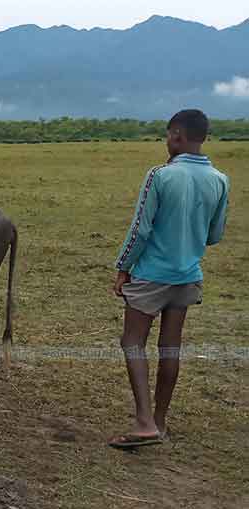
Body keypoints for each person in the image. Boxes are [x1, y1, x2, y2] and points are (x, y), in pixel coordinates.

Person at [109, 109, 229, 450]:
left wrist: (122, 268)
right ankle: (160, 422)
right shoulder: (220, 179)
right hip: (187, 277)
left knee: (132, 343)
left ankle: (144, 422)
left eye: (168, 135)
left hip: (150, 276)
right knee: (170, 348)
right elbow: (215, 235)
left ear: (177, 135)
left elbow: (140, 231)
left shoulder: (159, 175)